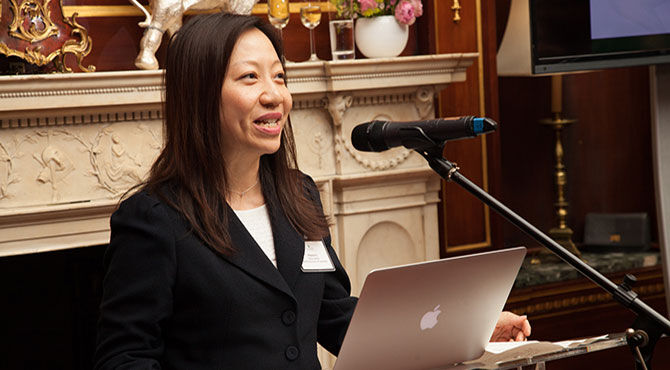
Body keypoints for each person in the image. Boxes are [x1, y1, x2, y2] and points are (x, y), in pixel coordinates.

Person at [94, 13, 531, 369]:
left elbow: (337, 316)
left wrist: (470, 328)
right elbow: (125, 359)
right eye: (250, 78)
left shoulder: (297, 193)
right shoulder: (154, 218)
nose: (275, 95)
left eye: (280, 77)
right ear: (201, 95)